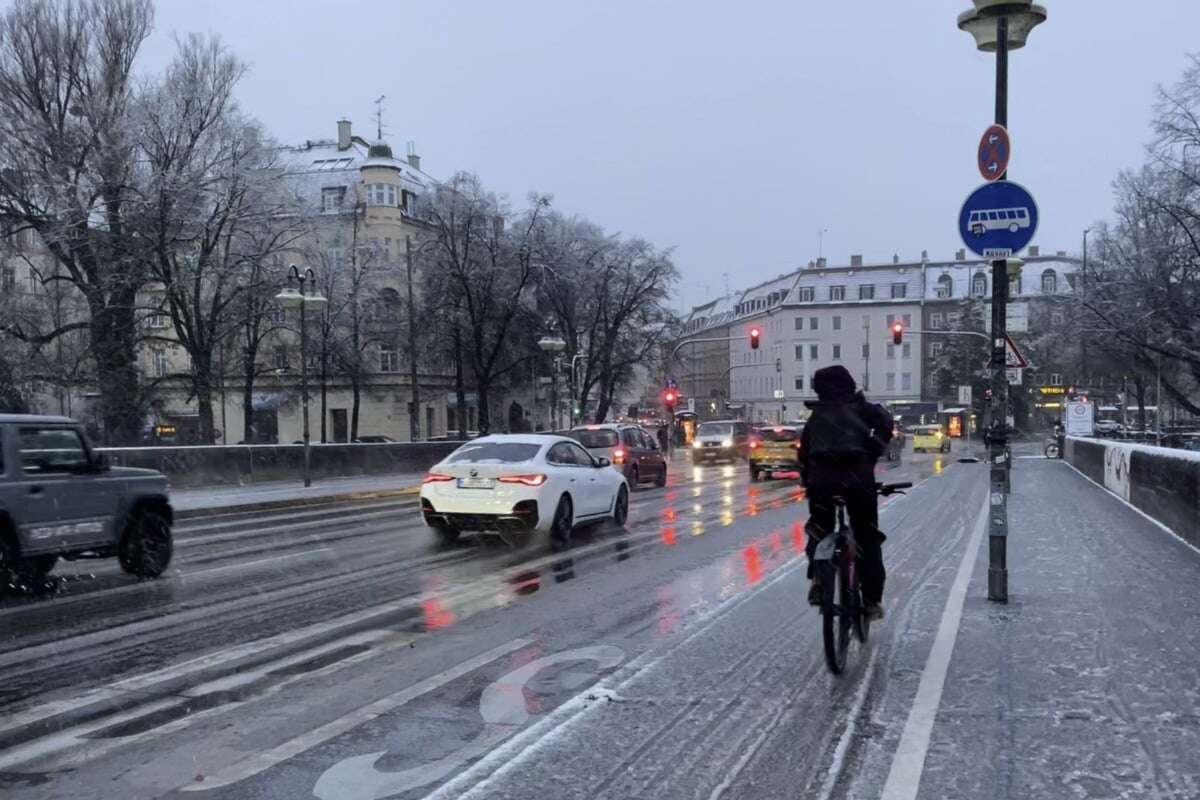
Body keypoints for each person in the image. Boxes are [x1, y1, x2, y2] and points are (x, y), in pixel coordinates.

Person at [799, 365, 895, 620]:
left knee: (819, 527)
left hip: (823, 482)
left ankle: (820, 580)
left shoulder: (816, 416)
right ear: (849, 383)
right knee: (866, 535)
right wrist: (873, 451)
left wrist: (808, 481)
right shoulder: (862, 408)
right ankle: (872, 600)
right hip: (858, 480)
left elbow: (804, 453)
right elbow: (886, 422)